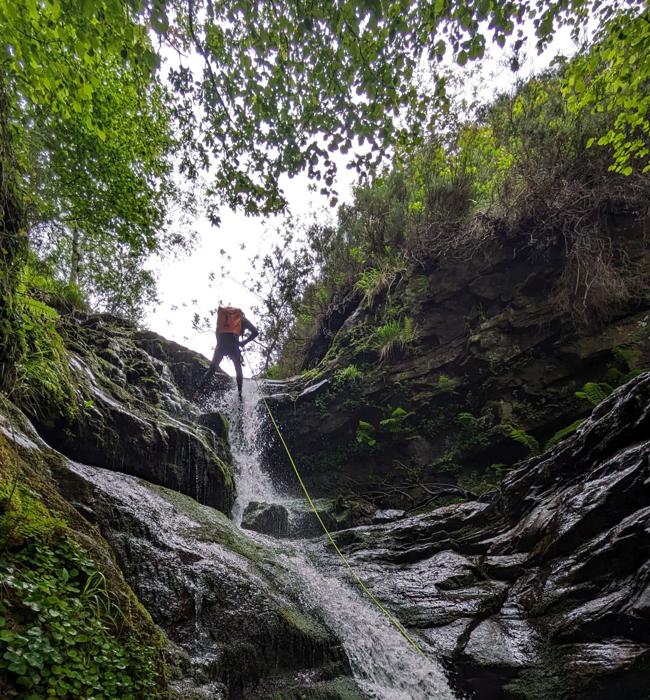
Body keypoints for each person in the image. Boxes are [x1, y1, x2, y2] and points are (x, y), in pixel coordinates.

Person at [195, 306, 258, 399]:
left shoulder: (223, 317)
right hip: (233, 345)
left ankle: (198, 393)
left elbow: (217, 331)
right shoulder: (241, 318)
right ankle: (240, 395)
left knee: (211, 370)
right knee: (238, 371)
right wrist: (243, 342)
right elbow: (255, 332)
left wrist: (220, 346)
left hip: (221, 345)